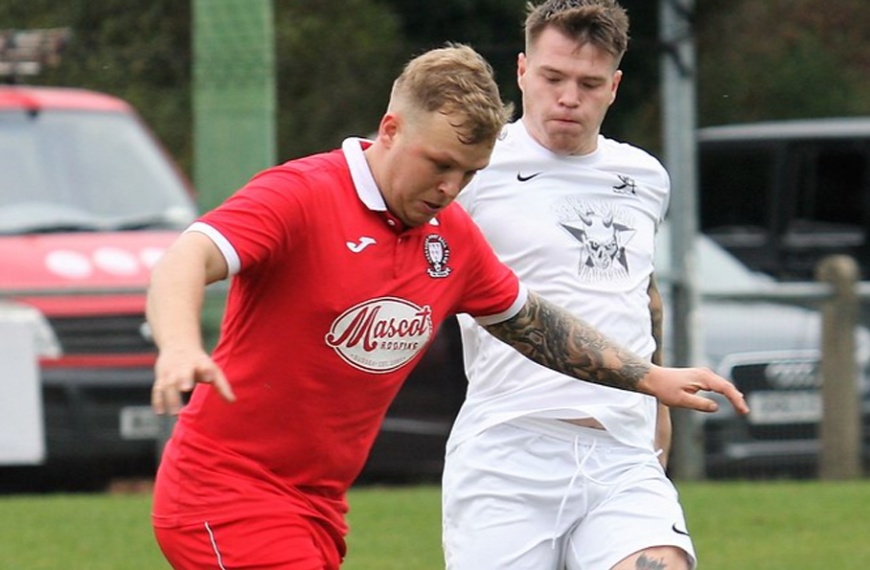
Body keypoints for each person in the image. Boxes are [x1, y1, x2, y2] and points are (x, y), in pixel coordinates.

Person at [147, 43, 746, 570]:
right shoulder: (302, 194)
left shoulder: (450, 235)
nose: (450, 189)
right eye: (439, 165)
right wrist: (179, 346)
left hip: (317, 503)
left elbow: (533, 324)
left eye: (468, 173)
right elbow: (186, 258)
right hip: (224, 493)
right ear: (390, 130)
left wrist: (648, 377)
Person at [442, 2, 700, 569]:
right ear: (521, 71)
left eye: (589, 83)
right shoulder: (474, 170)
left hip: (620, 450)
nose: (568, 97)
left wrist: (657, 403)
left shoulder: (646, 176)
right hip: (507, 448)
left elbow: (641, 290)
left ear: (615, 86)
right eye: (553, 78)